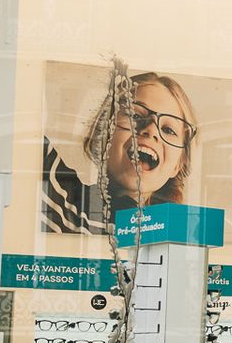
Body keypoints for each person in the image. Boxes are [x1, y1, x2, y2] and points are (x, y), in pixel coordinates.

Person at [43, 71, 199, 235]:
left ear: (178, 165)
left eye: (168, 130)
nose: (151, 130)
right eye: (135, 115)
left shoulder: (181, 234)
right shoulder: (59, 199)